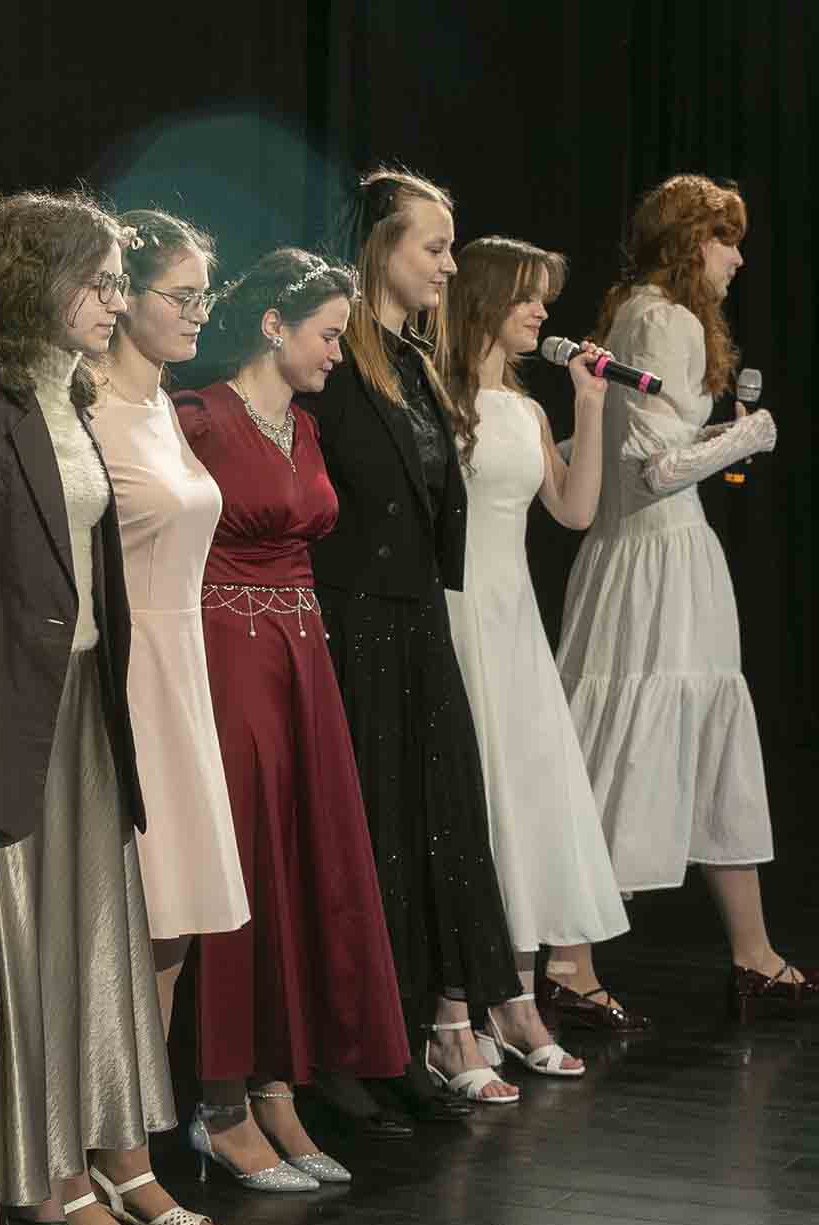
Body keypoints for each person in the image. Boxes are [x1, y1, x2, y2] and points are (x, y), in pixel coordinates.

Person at [0, 190, 189, 1225]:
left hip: (82, 694)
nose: (117, 302)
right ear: (38, 278)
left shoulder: (68, 392)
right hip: (13, 707)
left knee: (82, 941)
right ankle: (34, 1194)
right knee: (22, 952)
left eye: (121, 282)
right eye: (102, 280)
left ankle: (86, 1161)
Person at [170, 249, 410, 1195]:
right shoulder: (197, 417)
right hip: (230, 658)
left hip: (303, 657)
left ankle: (278, 1090)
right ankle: (220, 1103)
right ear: (273, 324)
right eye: (327, 335)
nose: (337, 355)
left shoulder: (303, 426)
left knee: (298, 868)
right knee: (242, 863)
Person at [555, 175, 806, 1025]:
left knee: (693, 743)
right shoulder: (666, 320)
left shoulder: (643, 314)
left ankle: (752, 954)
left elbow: (644, 447)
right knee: (629, 746)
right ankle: (569, 960)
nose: (737, 260)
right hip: (656, 559)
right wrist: (751, 433)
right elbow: (659, 472)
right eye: (726, 241)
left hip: (646, 557)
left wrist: (714, 436)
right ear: (691, 243)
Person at [301, 168, 522, 1115]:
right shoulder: (332, 366)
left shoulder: (415, 364)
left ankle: (427, 1025)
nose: (449, 265)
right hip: (354, 621)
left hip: (416, 619)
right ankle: (356, 1048)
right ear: (378, 249)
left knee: (437, 821)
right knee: (376, 828)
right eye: (434, 246)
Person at [437, 235, 625, 1070]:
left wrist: (590, 405)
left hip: (514, 622)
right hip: (455, 614)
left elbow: (574, 511)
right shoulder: (437, 396)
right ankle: (461, 1009)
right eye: (526, 295)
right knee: (475, 797)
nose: (541, 312)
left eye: (543, 297)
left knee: (524, 799)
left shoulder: (525, 409)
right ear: (483, 297)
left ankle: (515, 1002)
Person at [86, 209, 247, 1033]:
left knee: (178, 910)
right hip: (125, 670)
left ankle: (148, 1102)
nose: (198, 313)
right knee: (132, 907)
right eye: (181, 296)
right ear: (125, 294)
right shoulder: (88, 410)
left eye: (204, 297)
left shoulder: (163, 406)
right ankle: (107, 1105)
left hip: (182, 666)